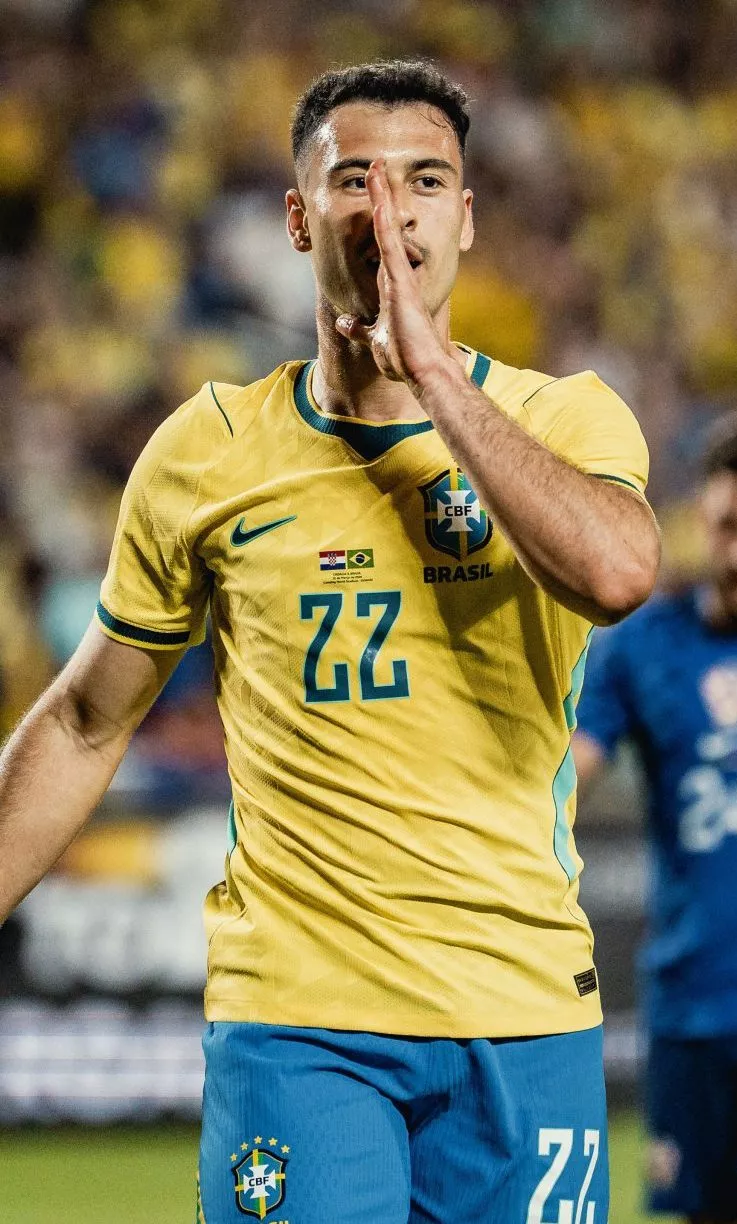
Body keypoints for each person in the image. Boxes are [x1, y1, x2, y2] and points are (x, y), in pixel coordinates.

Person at [0, 60, 660, 1223]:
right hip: (299, 1019)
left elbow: (615, 573)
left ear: (464, 218)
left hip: (521, 1009)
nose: (388, 210)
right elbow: (91, 720)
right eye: (352, 179)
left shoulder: (563, 417)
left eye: (424, 181)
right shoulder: (207, 451)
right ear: (298, 220)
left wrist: (435, 380)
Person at [574, 410, 737, 1224]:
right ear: (700, 522)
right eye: (728, 527)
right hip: (688, 1004)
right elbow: (563, 777)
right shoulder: (641, 649)